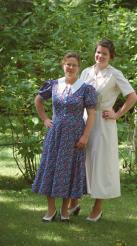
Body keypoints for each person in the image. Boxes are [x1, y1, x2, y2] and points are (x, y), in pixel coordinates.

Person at [69, 39, 137, 221]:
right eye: (98, 52)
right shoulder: (86, 72)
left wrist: (117, 114)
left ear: (111, 56)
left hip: (102, 123)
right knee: (79, 160)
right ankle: (74, 203)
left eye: (104, 54)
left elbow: (132, 97)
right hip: (83, 120)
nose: (100, 56)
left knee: (99, 164)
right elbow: (75, 94)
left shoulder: (115, 74)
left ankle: (97, 207)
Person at [32, 52, 96, 222]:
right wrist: (45, 119)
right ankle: (51, 209)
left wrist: (85, 136)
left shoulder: (85, 88)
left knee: (70, 170)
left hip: (75, 135)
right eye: (68, 64)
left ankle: (65, 210)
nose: (70, 67)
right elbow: (38, 100)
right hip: (56, 134)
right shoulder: (54, 84)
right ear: (63, 65)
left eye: (74, 65)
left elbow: (91, 115)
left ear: (78, 67)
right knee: (51, 167)